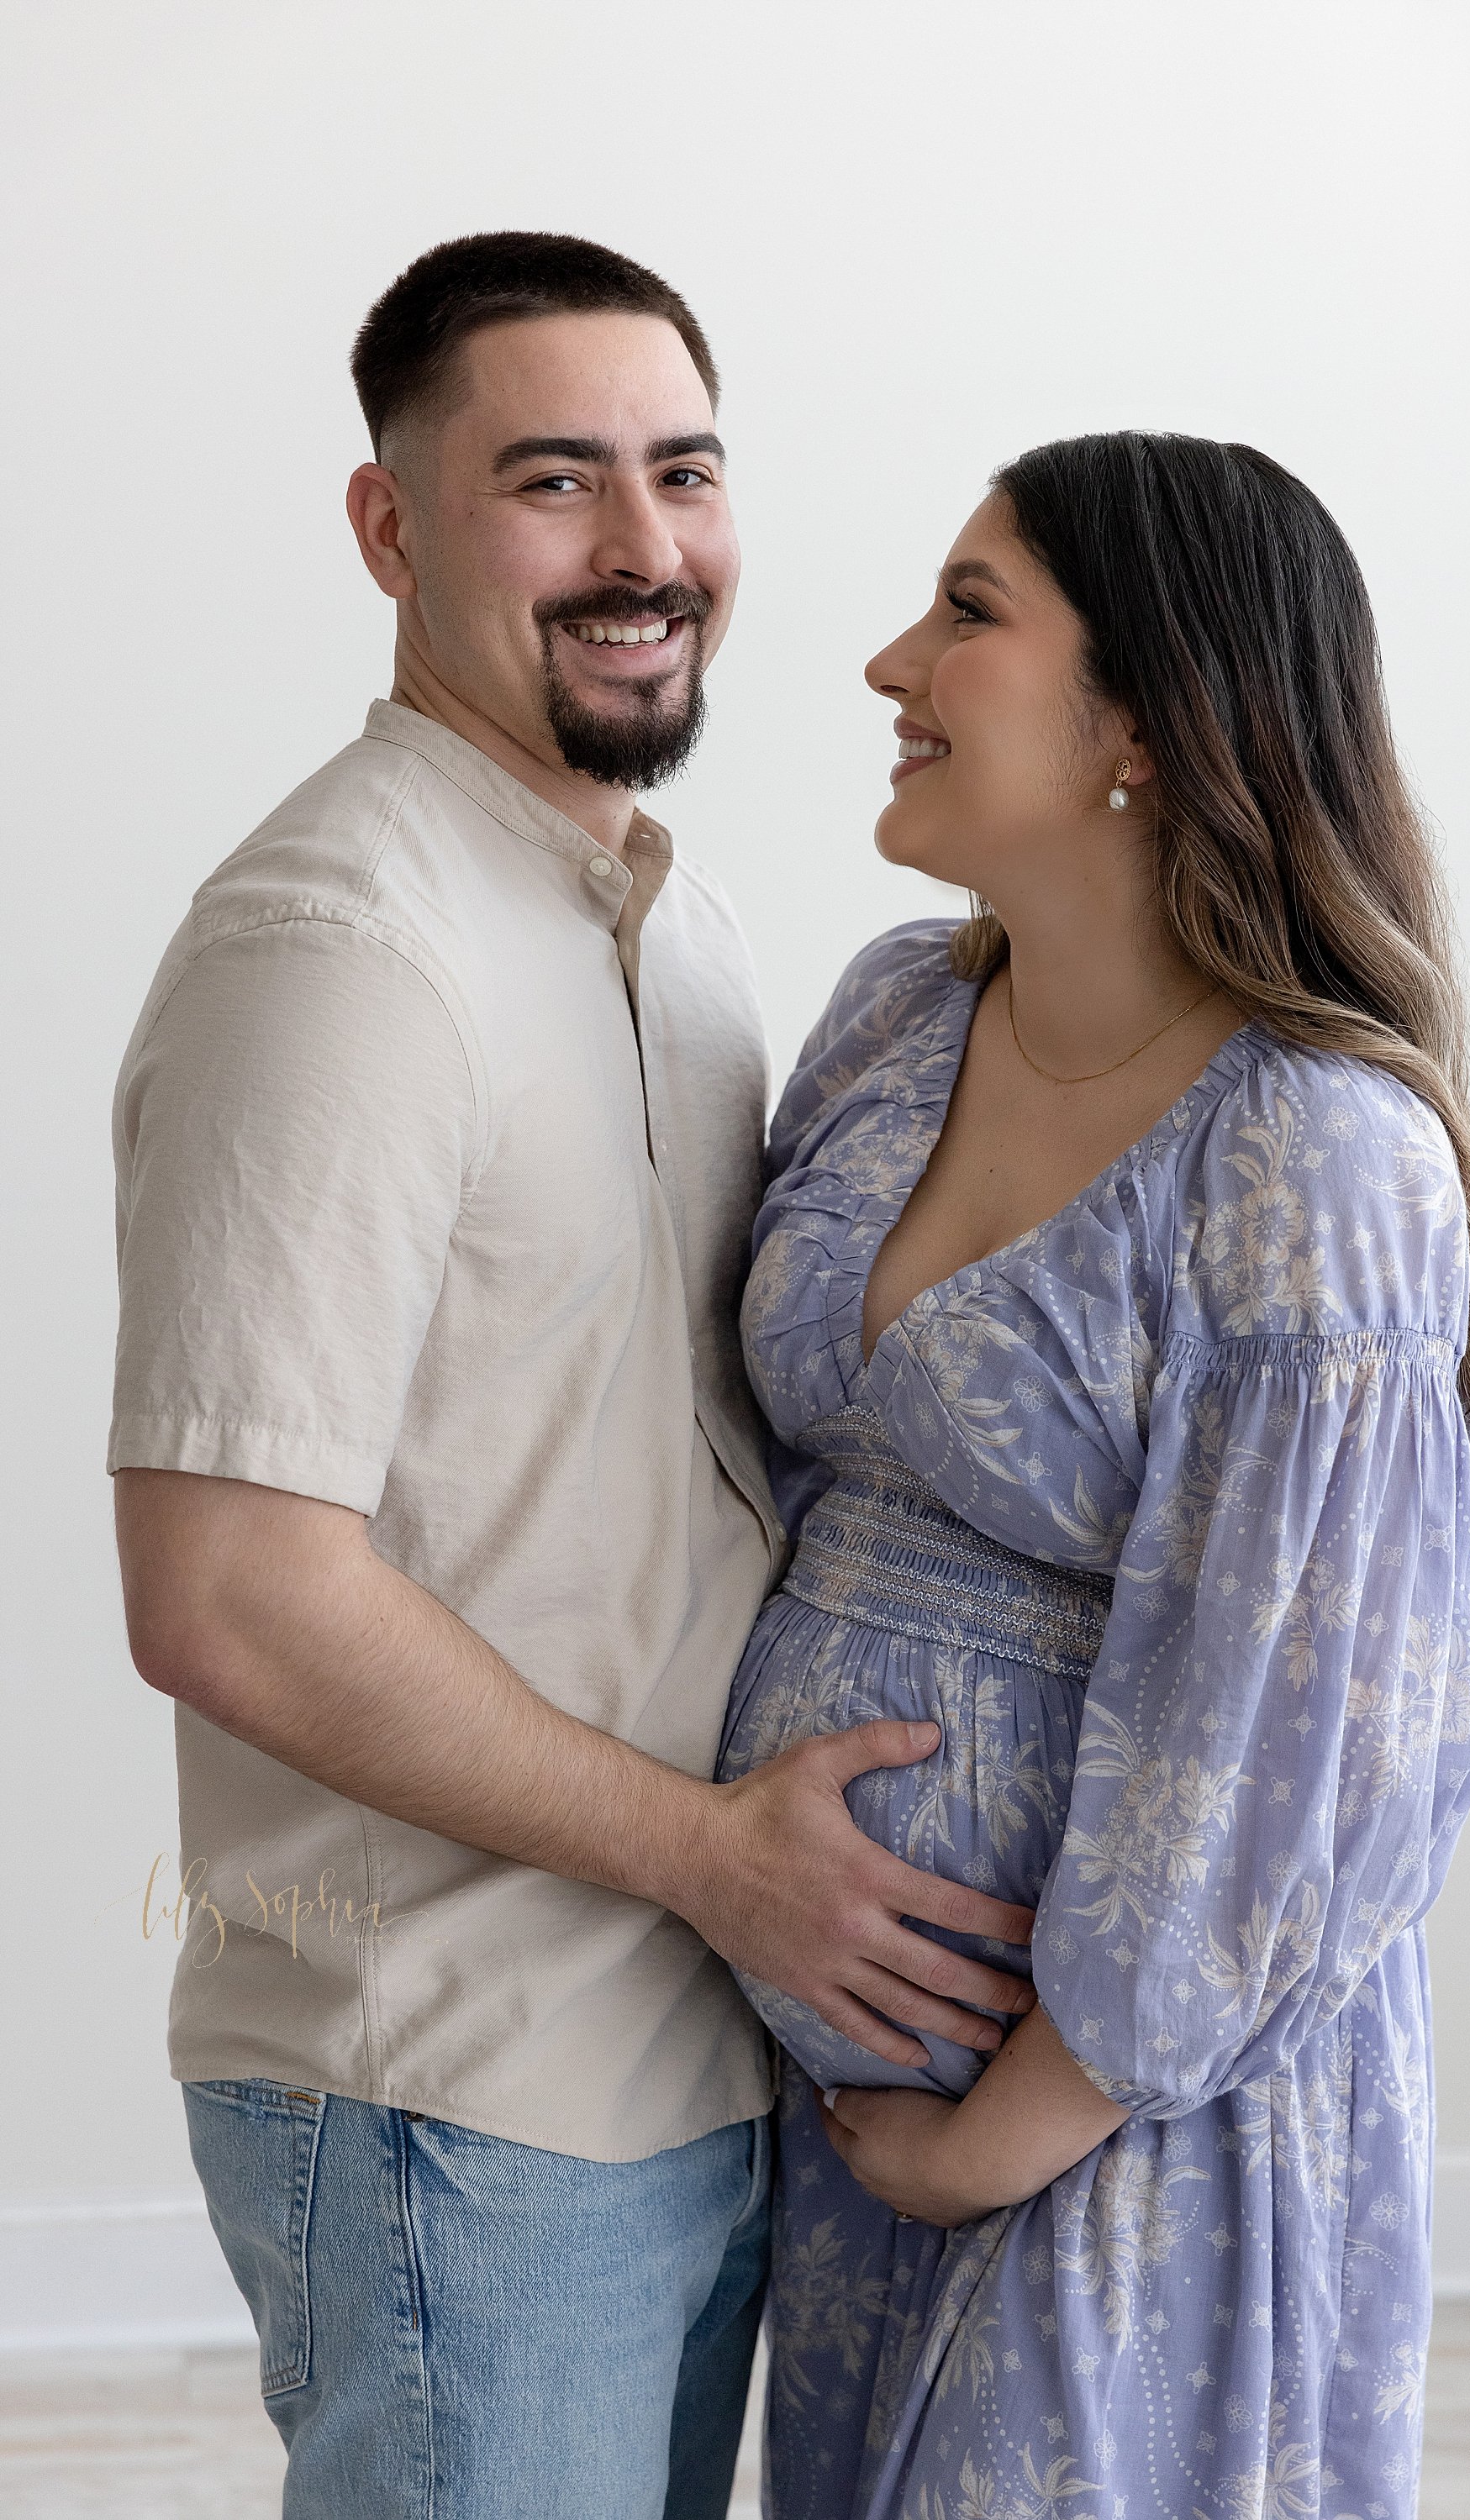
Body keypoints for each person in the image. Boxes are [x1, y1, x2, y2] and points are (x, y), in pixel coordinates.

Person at [107, 231, 1037, 2520]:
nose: (647, 553)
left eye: (687, 474)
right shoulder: (338, 953)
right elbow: (229, 1593)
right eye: (555, 483)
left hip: (696, 2059)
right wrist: (720, 1861)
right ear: (389, 528)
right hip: (455, 2083)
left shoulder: (677, 927)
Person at [717, 431, 1470, 2520]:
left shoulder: (1313, 1153)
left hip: (1123, 2131)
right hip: (840, 2117)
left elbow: (1303, 1738)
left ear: (1148, 723)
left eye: (970, 611)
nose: (887, 661)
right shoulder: (897, 1019)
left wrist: (1007, 2124)